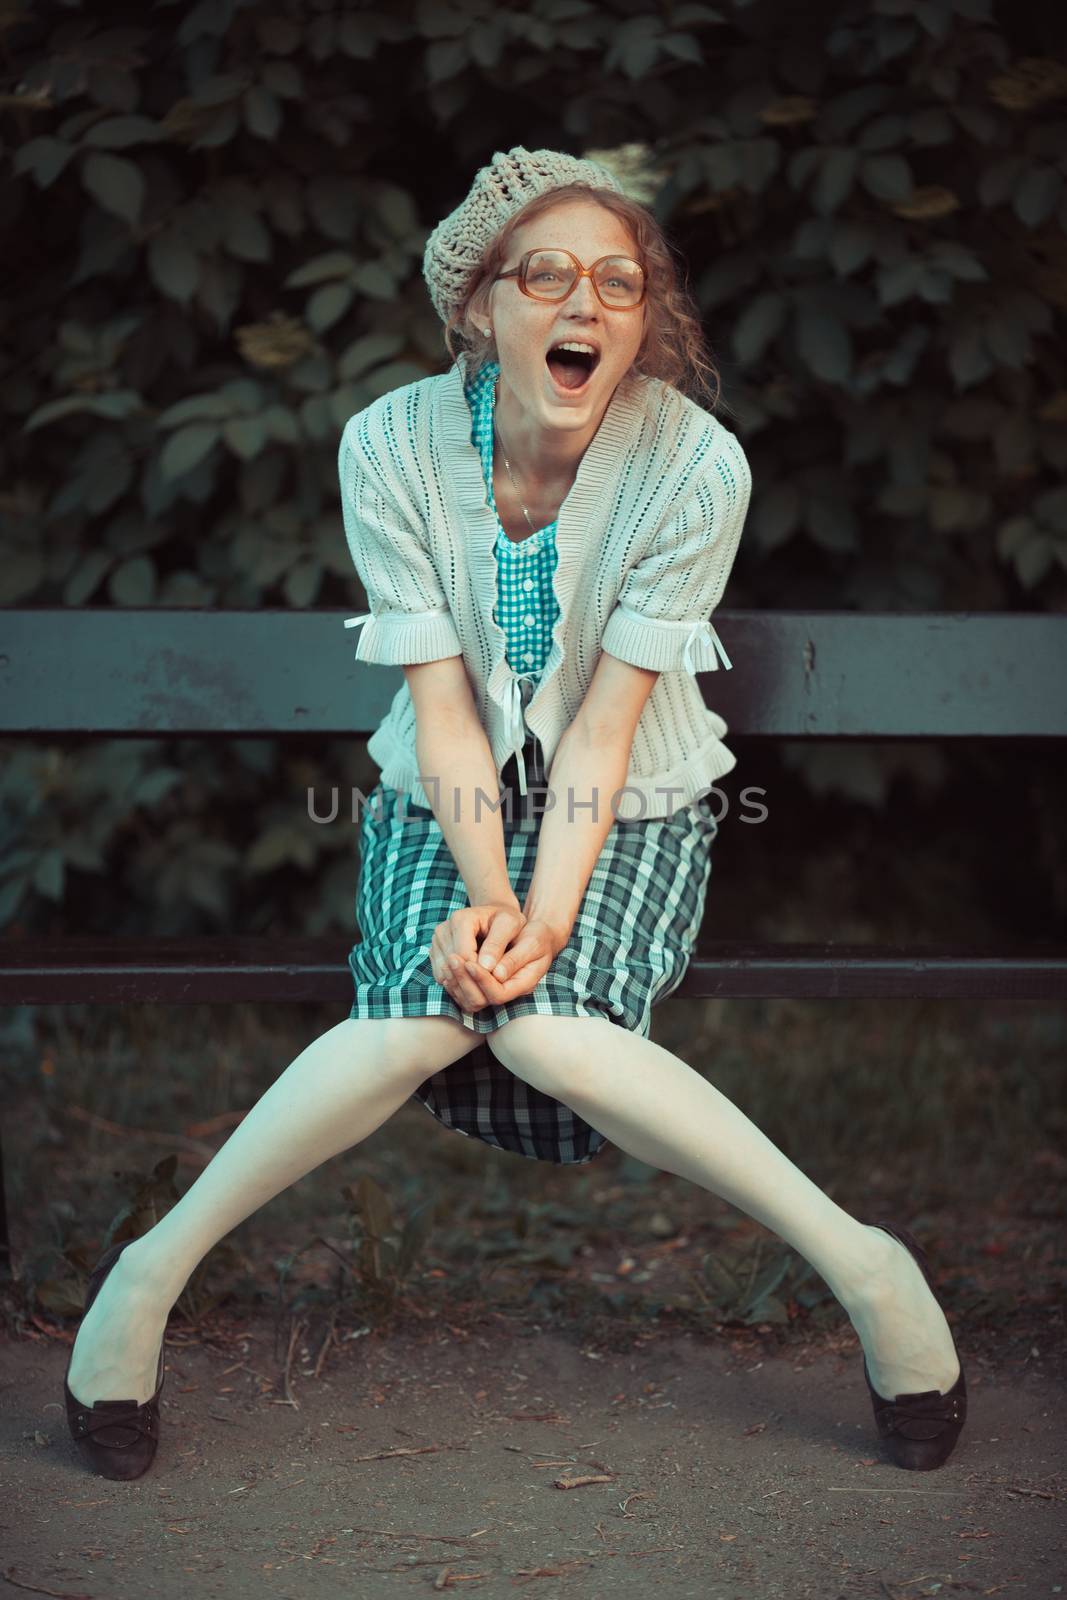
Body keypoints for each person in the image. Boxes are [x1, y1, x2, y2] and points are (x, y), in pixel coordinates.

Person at [63, 146, 966, 1480]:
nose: (585, 301)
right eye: (545, 274)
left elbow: (605, 727)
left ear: (647, 322)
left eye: (620, 279)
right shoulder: (390, 444)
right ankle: (145, 1279)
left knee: (541, 1024)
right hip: (448, 791)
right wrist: (488, 898)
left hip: (637, 795)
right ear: (478, 308)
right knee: (419, 1010)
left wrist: (537, 923)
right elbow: (441, 712)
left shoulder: (693, 466)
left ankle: (870, 1270)